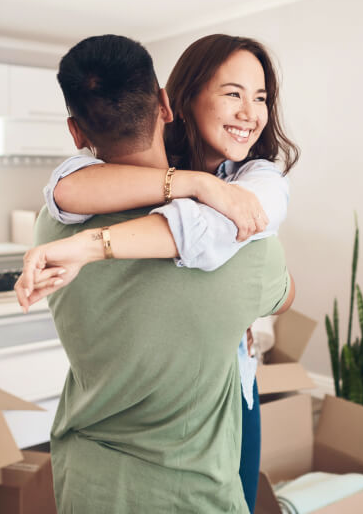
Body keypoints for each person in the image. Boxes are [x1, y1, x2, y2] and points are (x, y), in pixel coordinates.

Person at [15, 34, 295, 513]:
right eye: (233, 93)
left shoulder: (52, 229)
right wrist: (196, 185)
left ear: (76, 131)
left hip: (88, 460)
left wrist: (90, 244)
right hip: (195, 470)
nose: (249, 111)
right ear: (169, 103)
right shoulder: (246, 247)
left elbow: (62, 192)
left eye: (261, 97)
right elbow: (280, 291)